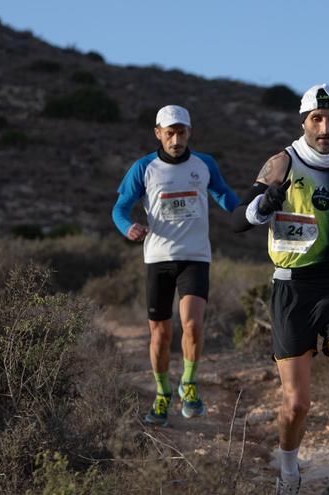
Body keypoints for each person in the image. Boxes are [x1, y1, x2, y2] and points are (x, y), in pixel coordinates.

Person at [231, 84, 329, 495]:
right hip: (292, 291)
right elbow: (238, 221)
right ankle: (289, 473)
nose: (325, 127)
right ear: (304, 122)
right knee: (297, 404)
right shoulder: (281, 163)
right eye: (317, 119)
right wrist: (264, 204)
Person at [112, 104, 239, 427]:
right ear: (158, 133)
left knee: (193, 325)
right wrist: (128, 227)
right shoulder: (144, 168)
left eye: (181, 132)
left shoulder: (204, 164)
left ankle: (190, 385)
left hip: (195, 256)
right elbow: (120, 209)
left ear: (189, 133)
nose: (176, 139)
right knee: (160, 335)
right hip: (158, 259)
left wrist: (251, 210)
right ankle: (161, 394)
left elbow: (225, 196)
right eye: (169, 133)